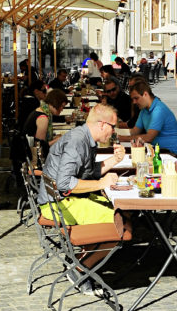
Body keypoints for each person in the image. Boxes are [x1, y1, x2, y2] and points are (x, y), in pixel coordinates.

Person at [38, 104, 131, 288]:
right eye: (113, 126)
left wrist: (115, 160)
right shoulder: (77, 142)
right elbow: (65, 183)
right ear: (102, 124)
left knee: (123, 212)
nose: (114, 132)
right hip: (57, 205)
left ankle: (81, 258)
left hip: (61, 200)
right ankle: (80, 269)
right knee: (121, 223)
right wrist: (101, 184)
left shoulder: (84, 137)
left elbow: (89, 172)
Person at [129, 78, 177, 155]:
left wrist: (121, 138)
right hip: (154, 149)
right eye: (133, 99)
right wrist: (117, 133)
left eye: (136, 98)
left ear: (145, 94)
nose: (134, 102)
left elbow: (149, 137)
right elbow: (135, 131)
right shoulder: (144, 109)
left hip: (168, 152)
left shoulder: (158, 110)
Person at [22, 89, 67, 160]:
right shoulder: (43, 118)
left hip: (27, 151)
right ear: (56, 103)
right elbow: (41, 147)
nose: (62, 109)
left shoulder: (42, 110)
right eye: (62, 106)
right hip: (30, 157)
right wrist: (58, 139)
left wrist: (54, 138)